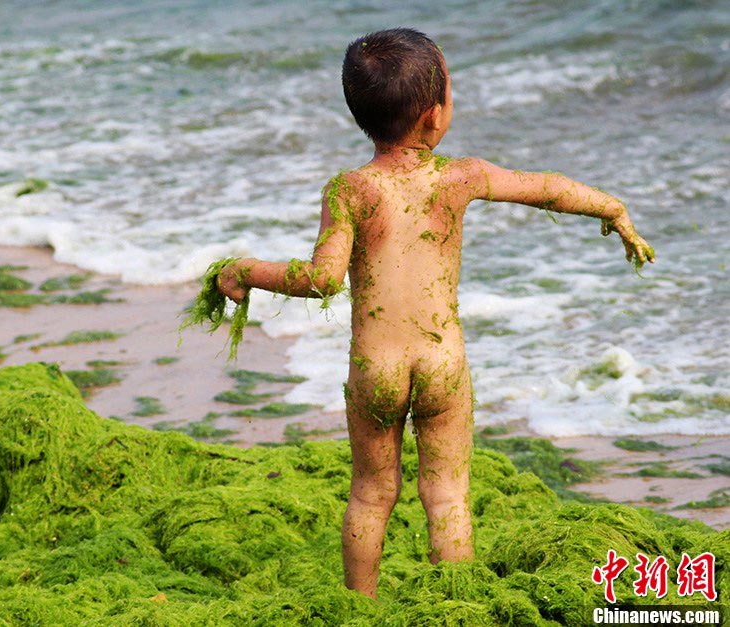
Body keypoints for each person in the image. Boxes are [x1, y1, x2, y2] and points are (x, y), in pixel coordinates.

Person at [216, 28, 654, 599]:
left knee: (371, 495)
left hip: (375, 369)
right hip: (442, 361)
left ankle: (361, 607)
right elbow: (544, 189)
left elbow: (321, 279)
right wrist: (612, 208)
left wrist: (246, 270)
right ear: (433, 115)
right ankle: (457, 605)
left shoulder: (350, 190)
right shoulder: (460, 176)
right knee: (447, 494)